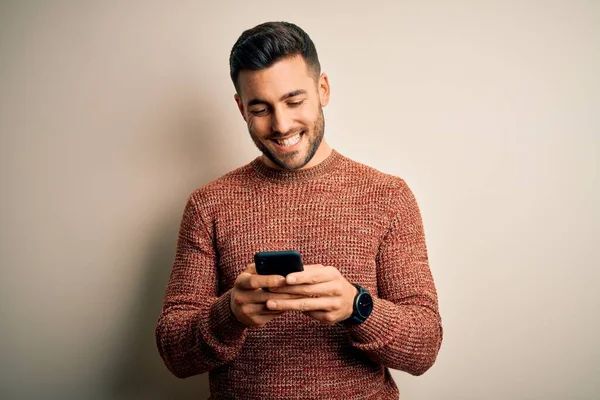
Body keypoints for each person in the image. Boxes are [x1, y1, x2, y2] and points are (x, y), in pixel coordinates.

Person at [155, 21, 443, 399]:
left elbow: (424, 347)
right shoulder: (208, 204)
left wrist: (357, 307)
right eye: (261, 108)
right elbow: (174, 353)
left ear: (323, 89)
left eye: (294, 101)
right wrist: (230, 314)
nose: (282, 124)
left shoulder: (387, 196)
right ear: (241, 108)